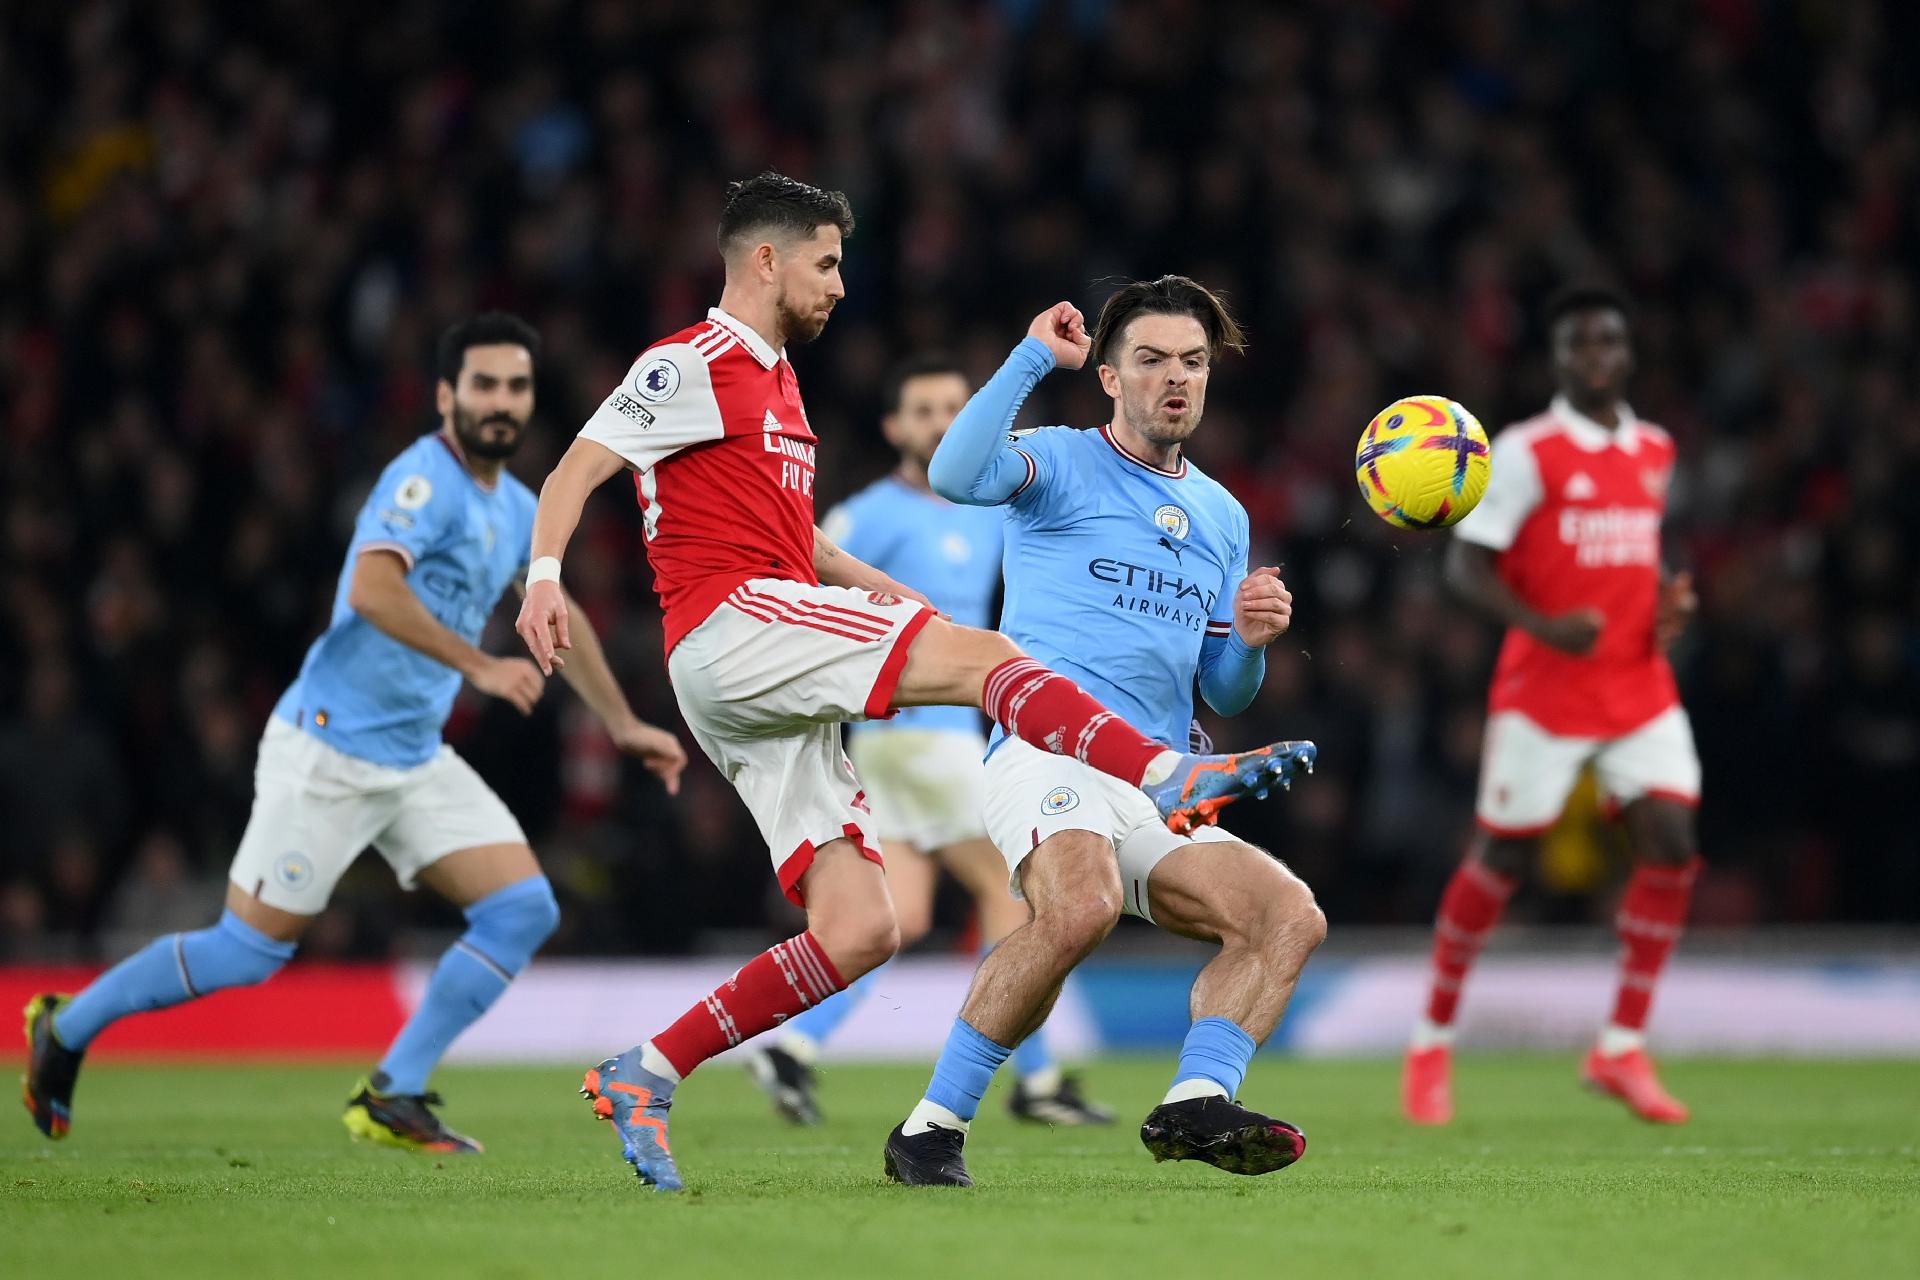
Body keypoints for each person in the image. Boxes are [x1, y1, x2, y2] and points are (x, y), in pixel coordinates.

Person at [515, 177, 1308, 1192]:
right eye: (829, 262)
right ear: (768, 259)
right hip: (733, 625)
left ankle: (649, 1067)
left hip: (760, 657)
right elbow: (576, 466)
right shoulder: (694, 360)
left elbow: (805, 545)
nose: (841, 285)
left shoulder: (781, 389)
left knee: (865, 927)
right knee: (993, 663)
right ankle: (1164, 773)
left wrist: (904, 602)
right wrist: (544, 575)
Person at [21, 314, 688, 1153]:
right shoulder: (422, 480)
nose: (501, 402)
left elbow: (562, 614)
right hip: (329, 751)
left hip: (412, 759)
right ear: (446, 395)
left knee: (521, 909)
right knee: (247, 953)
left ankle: (394, 1092)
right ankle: (67, 1027)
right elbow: (373, 589)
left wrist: (622, 722)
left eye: (516, 386)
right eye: (483, 385)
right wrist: (479, 667)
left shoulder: (516, 506)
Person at [880, 277, 1327, 1188]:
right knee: (1077, 906)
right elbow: (955, 474)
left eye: (1193, 363)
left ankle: (1196, 1101)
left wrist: (1247, 638)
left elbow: (1224, 692)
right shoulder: (1057, 461)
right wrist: (1032, 356)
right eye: (1153, 360)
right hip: (1046, 754)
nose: (1177, 379)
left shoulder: (1221, 515)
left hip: (1157, 782)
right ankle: (930, 1128)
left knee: (1288, 917)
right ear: (1111, 378)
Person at [742, 355, 1112, 1129]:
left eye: (954, 407)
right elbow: (798, 568)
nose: (942, 422)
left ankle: (792, 1046)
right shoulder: (869, 515)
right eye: (923, 410)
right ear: (894, 427)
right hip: (919, 734)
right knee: (1017, 889)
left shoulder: (985, 507)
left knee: (901, 917)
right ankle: (1037, 1080)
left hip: (929, 741)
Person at [1402, 285, 1702, 1126]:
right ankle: (1431, 1041)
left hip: (1638, 685)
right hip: (1545, 691)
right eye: (1580, 344)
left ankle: (1621, 1048)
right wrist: (1543, 625)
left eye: (1610, 341)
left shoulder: (1654, 448)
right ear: (1559, 358)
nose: (1596, 356)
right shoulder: (1526, 452)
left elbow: (1633, 554)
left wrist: (1665, 608)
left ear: (1627, 352)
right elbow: (1466, 566)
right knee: (1501, 858)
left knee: (1672, 843)